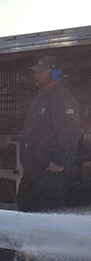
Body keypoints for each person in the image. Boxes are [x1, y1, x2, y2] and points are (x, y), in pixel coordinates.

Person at [17, 56, 81, 212]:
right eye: (36, 72)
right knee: (26, 211)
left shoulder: (62, 97)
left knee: (46, 219)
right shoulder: (41, 98)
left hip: (49, 176)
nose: (36, 75)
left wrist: (60, 160)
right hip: (33, 174)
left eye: (41, 72)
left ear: (54, 73)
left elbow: (71, 131)